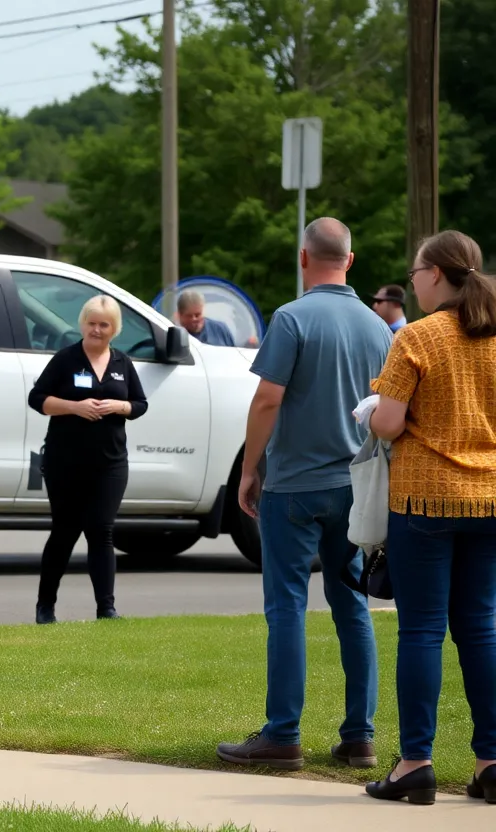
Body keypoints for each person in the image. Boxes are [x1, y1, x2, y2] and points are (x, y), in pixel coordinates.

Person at [217, 218, 392, 772]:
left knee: (287, 608)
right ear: (351, 260)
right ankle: (359, 736)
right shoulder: (378, 327)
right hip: (355, 487)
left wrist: (249, 469)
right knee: (353, 608)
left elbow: (268, 398)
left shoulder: (291, 318)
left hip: (293, 485)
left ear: (302, 258)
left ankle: (283, 733)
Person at [365, 230, 496, 806]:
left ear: (437, 275)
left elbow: (389, 423)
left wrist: (373, 412)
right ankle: (491, 761)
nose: (413, 281)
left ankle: (415, 763)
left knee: (421, 631)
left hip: (424, 498)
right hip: (489, 498)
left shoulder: (417, 337)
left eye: (416, 272)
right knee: (482, 628)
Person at [27, 294, 148, 625]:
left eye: (104, 325)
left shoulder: (123, 363)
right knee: (65, 531)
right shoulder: (66, 360)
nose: (96, 330)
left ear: (114, 329)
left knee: (101, 530)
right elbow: (36, 399)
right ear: (82, 324)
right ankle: (45, 606)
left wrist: (119, 407)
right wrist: (74, 406)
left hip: (110, 463)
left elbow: (139, 404)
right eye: (91, 323)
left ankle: (106, 609)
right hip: (65, 462)